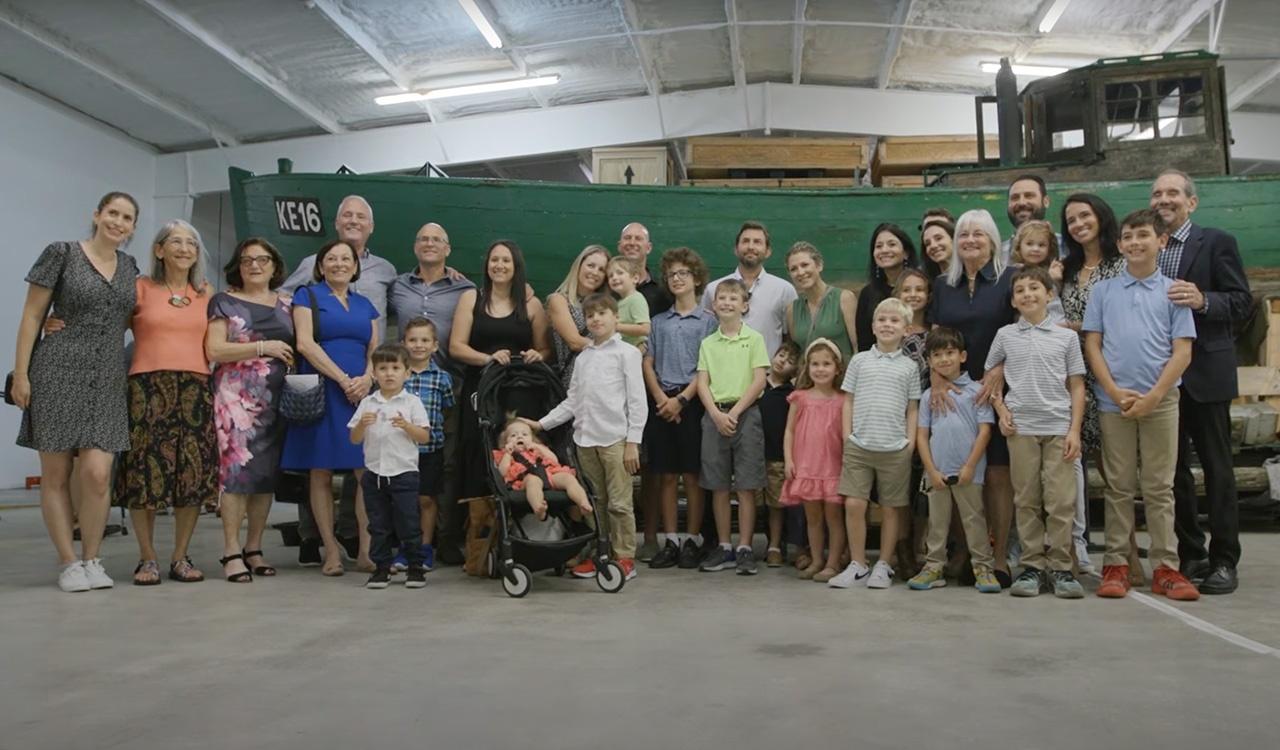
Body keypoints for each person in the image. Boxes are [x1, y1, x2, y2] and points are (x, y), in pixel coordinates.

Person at [13, 192, 141, 592]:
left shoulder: (130, 266)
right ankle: (69, 562)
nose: (118, 222)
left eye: (127, 217)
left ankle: (92, 558)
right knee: (55, 472)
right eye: (113, 213)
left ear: (133, 227)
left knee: (98, 473)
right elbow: (33, 315)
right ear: (97, 215)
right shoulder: (62, 253)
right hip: (57, 369)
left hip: (106, 376)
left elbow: (128, 317)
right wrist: (21, 374)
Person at [1083, 208, 1200, 601]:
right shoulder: (1103, 291)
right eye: (1128, 237)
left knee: (1159, 486)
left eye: (1144, 235)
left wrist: (1154, 396)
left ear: (1161, 241)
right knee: (1118, 486)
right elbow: (1093, 345)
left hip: (1161, 402)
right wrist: (1114, 392)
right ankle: (1116, 564)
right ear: (1119, 245)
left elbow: (1182, 352)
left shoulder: (1174, 291)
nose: (1135, 242)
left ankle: (1166, 568)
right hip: (1114, 402)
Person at [1152, 169, 1252, 594]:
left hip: (1206, 373)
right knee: (1172, 474)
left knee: (1217, 469)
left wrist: (1204, 300)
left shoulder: (1215, 242)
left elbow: (1242, 300)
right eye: (1156, 194)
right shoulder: (1147, 249)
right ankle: (1190, 553)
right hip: (1161, 377)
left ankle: (1224, 559)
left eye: (1172, 193)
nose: (1163, 200)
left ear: (1191, 202)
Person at [282, 196, 390, 567]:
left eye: (347, 259)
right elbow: (305, 344)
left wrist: (367, 378)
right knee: (321, 470)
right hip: (323, 391)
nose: (340, 263)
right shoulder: (306, 295)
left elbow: (375, 348)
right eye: (332, 259)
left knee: (364, 471)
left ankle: (364, 549)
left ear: (356, 265)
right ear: (321, 266)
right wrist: (345, 379)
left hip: (361, 393)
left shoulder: (366, 306)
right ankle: (329, 548)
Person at [113, 220, 219, 586]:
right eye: (176, 241)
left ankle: (180, 557)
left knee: (190, 473)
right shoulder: (140, 288)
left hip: (195, 388)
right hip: (147, 388)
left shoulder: (206, 292)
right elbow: (109, 326)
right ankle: (147, 559)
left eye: (192, 242)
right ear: (159, 250)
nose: (185, 248)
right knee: (145, 474)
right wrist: (57, 324)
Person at [986, 266, 1086, 599]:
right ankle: (1031, 566)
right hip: (1021, 430)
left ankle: (1061, 567)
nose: (1027, 294)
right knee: (1026, 499)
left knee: (1060, 501)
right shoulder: (1005, 336)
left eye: (1034, 288)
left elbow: (1076, 385)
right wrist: (1002, 413)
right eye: (1020, 290)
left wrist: (1074, 429)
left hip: (1058, 427)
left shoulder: (1067, 337)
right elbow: (992, 381)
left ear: (1049, 294)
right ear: (1013, 300)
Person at [928, 208, 1016, 586]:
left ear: (993, 240)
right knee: (959, 475)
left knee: (996, 475)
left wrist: (998, 369)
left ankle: (997, 559)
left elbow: (1020, 329)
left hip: (997, 389)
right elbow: (934, 336)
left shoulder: (1009, 280)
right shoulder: (941, 285)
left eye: (978, 234)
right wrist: (935, 378)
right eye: (963, 235)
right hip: (952, 393)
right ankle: (965, 552)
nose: (970, 241)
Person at [536, 292, 646, 581]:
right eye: (590, 315)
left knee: (619, 503)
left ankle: (625, 558)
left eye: (602, 313)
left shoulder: (628, 354)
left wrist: (633, 442)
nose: (596, 319)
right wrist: (541, 424)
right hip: (585, 441)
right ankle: (601, 553)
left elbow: (637, 401)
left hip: (616, 441)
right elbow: (573, 401)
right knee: (594, 502)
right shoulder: (583, 357)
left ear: (616, 318)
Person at [206, 237, 295, 583]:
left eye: (262, 259)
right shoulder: (224, 301)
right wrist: (262, 346)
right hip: (234, 399)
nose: (254, 266)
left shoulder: (287, 303)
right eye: (247, 260)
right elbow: (214, 349)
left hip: (277, 399)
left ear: (274, 266)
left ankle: (254, 548)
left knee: (264, 476)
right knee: (236, 474)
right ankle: (231, 550)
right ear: (237, 267)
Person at [388, 222, 476, 566]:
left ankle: (444, 539)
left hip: (446, 387)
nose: (429, 244)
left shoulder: (464, 287)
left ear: (447, 249)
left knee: (446, 467)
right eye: (423, 238)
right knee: (402, 466)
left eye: (436, 239)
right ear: (414, 247)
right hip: (404, 389)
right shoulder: (396, 286)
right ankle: (405, 542)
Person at [827, 298, 921, 590]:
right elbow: (849, 400)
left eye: (895, 321)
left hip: (895, 448)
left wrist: (910, 441)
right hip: (859, 445)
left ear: (906, 329)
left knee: (892, 508)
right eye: (882, 320)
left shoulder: (909, 366)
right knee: (855, 503)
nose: (887, 325)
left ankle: (883, 564)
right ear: (873, 326)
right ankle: (858, 564)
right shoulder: (859, 361)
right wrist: (847, 435)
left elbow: (913, 407)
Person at [450, 240, 552, 506]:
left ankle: (521, 517)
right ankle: (478, 524)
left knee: (519, 451)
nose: (499, 265)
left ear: (516, 267)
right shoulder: (471, 298)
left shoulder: (531, 304)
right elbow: (456, 347)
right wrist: (488, 359)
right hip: (481, 391)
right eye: (494, 260)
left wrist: (536, 355)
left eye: (506, 260)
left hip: (520, 394)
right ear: (486, 265)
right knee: (478, 451)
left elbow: (545, 349)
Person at [1059, 193, 1127, 574]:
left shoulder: (1120, 265)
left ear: (1100, 216)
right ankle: (1074, 551)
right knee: (1075, 466)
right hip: (1071, 377)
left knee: (1114, 470)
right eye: (1071, 220)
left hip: (1110, 372)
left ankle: (1126, 553)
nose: (1079, 223)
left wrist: (1080, 328)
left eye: (1085, 215)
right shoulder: (1067, 269)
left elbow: (1121, 319)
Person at [908, 327, 1001, 593]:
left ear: (962, 356)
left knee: (974, 519)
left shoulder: (977, 391)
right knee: (937, 522)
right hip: (936, 471)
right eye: (937, 355)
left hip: (969, 471)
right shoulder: (928, 396)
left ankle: (983, 567)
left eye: (949, 353)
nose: (944, 359)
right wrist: (930, 469)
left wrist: (970, 465)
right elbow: (922, 435)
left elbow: (985, 431)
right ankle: (933, 566)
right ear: (929, 361)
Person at [642, 248, 718, 570]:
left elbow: (708, 367)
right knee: (667, 476)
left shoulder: (709, 322)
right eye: (671, 274)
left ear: (696, 278)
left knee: (692, 474)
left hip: (693, 403)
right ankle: (670, 540)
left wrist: (682, 400)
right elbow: (648, 361)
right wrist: (661, 398)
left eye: (683, 273)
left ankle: (692, 540)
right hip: (663, 403)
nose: (676, 279)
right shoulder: (658, 322)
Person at [696, 278, 769, 575]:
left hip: (746, 415)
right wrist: (715, 413)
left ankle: (745, 547)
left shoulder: (754, 339)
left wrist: (735, 413)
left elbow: (759, 379)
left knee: (748, 486)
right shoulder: (708, 343)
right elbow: (702, 382)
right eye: (721, 298)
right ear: (713, 306)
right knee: (719, 486)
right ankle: (725, 545)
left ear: (744, 305)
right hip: (715, 417)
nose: (726, 303)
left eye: (733, 299)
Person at [348, 344, 431, 590]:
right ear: (374, 373)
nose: (389, 373)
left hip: (404, 473)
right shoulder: (367, 403)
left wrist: (406, 426)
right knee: (378, 524)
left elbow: (424, 437)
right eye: (383, 368)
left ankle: (415, 568)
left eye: (395, 368)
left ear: (407, 372)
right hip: (374, 473)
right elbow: (354, 439)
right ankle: (381, 569)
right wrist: (362, 425)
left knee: (408, 522)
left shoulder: (412, 402)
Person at [781, 339, 846, 582]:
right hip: (806, 466)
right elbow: (789, 431)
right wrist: (789, 460)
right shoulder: (800, 398)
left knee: (834, 517)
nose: (820, 369)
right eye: (815, 364)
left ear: (837, 368)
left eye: (826, 364)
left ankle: (832, 563)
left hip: (832, 467)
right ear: (807, 367)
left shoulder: (843, 400)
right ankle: (817, 559)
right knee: (813, 518)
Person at [397, 317, 454, 572]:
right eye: (412, 340)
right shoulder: (397, 375)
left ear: (434, 346)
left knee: (427, 500)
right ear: (403, 343)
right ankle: (405, 548)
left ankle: (425, 547)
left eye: (424, 341)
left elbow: (447, 410)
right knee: (402, 501)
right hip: (400, 450)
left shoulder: (442, 378)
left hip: (430, 450)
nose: (418, 345)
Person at [702, 221, 797, 358]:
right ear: (736, 249)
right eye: (745, 241)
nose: (751, 247)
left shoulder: (784, 290)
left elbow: (790, 339)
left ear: (768, 251)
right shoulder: (713, 289)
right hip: (723, 374)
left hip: (767, 375)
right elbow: (705, 332)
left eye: (757, 242)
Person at [494, 419, 592, 518]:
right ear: (505, 441)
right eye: (513, 435)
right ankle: (538, 508)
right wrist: (507, 454)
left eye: (525, 434)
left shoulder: (538, 448)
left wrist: (537, 446)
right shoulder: (504, 454)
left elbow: (554, 460)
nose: (519, 436)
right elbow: (501, 473)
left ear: (532, 438)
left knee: (568, 478)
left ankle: (583, 502)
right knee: (533, 481)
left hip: (550, 474)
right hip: (524, 479)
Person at [759, 340, 800, 567]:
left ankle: (775, 545)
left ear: (795, 370)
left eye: (790, 361)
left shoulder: (791, 394)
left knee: (776, 503)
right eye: (781, 355)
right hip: (754, 453)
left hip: (777, 456)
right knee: (755, 501)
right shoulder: (756, 384)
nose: (782, 361)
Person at [547, 244, 610, 388]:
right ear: (579, 266)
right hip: (575, 381)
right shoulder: (559, 300)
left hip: (604, 380)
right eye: (591, 265)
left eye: (601, 269)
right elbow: (574, 342)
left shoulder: (606, 305)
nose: (595, 272)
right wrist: (613, 349)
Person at [784, 241, 857, 361]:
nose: (800, 272)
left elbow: (857, 347)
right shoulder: (792, 310)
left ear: (819, 265)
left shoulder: (844, 298)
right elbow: (796, 352)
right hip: (808, 377)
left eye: (805, 265)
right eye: (794, 269)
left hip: (842, 377)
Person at [854, 223, 919, 353]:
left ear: (906, 252)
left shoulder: (919, 288)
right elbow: (864, 343)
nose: (884, 250)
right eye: (878, 246)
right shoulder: (868, 294)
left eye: (892, 244)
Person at [1002, 174, 1060, 264]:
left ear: (1046, 201)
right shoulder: (998, 256)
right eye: (1015, 198)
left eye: (1029, 196)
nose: (1021, 202)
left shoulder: (1066, 248)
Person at [618, 221, 672, 316]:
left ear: (648, 248)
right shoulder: (606, 287)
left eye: (638, 239)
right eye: (627, 238)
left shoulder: (662, 291)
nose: (632, 242)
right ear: (619, 246)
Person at [894, 268, 932, 389]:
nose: (913, 295)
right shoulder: (890, 331)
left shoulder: (933, 332)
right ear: (898, 295)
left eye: (919, 290)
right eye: (906, 290)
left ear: (928, 295)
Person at [606, 255, 651, 348]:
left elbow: (645, 329)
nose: (614, 278)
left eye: (620, 273)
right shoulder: (618, 303)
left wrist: (616, 327)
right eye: (610, 275)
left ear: (635, 278)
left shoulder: (636, 299)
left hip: (636, 349)